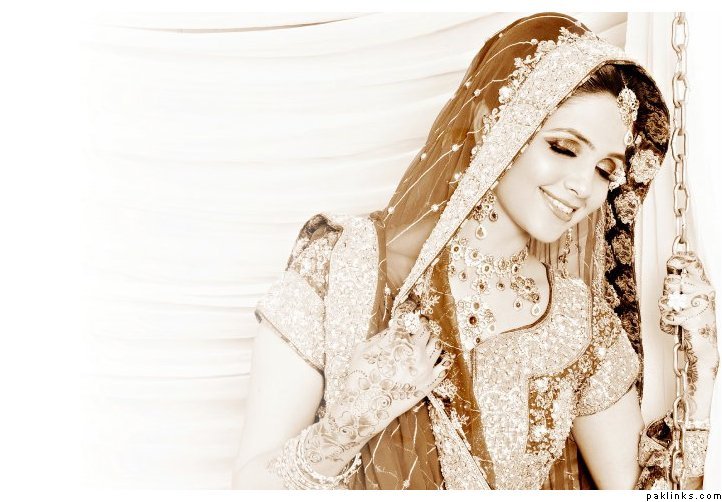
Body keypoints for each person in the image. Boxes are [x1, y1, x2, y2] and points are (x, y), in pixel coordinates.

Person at [231, 12, 719, 490]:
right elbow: (249, 487)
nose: (582, 186)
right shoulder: (342, 263)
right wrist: (350, 423)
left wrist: (700, 370)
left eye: (605, 170)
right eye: (565, 148)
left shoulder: (577, 322)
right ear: (494, 122)